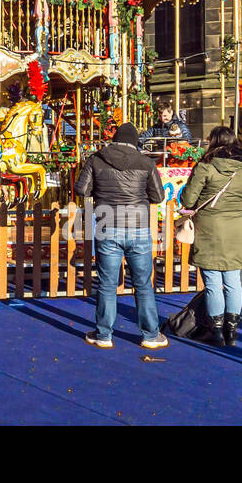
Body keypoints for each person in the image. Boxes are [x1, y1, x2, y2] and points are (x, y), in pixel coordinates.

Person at [74, 122, 169, 350]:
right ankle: (150, 335)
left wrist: (100, 191)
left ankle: (104, 334)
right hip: (138, 227)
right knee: (143, 283)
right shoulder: (146, 163)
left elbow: (81, 189)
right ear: (135, 142)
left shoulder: (96, 159)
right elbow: (157, 196)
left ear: (114, 139)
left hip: (107, 225)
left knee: (107, 284)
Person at [179, 126, 242, 346]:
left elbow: (188, 200)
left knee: (213, 282)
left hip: (209, 227)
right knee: (233, 281)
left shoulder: (206, 166)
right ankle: (232, 332)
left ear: (213, 142)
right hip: (234, 228)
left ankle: (216, 332)